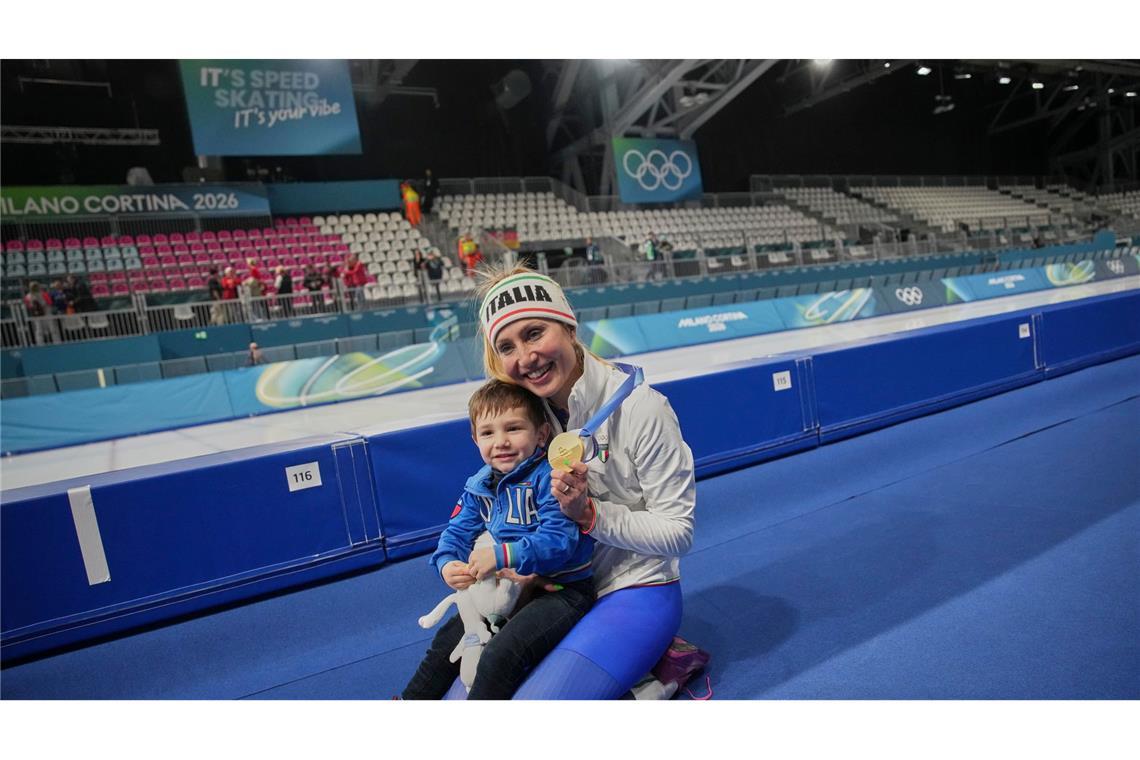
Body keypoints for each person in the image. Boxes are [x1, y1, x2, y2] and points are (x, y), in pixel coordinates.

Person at [461, 265, 696, 699]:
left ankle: (657, 667)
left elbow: (678, 533)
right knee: (472, 692)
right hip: (558, 586)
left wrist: (590, 514)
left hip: (635, 586)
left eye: (534, 333)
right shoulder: (528, 417)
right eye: (507, 346)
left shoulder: (643, 409)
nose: (525, 357)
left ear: (568, 326)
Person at [402, 380, 596, 699]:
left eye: (514, 428)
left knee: (499, 655)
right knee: (444, 644)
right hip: (505, 591)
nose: (501, 442)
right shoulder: (479, 485)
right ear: (475, 438)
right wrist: (447, 563)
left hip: (560, 590)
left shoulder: (550, 478)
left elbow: (559, 542)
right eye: (488, 433)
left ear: (542, 434)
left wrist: (502, 555)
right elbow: (456, 533)